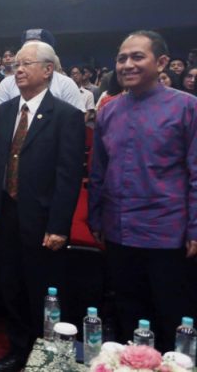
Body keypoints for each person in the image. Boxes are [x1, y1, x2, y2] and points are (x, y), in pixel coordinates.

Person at [88, 30, 197, 352]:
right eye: (121, 58)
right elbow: (98, 171)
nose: (127, 65)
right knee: (129, 316)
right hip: (119, 230)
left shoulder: (187, 107)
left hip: (168, 232)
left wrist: (195, 227)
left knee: (172, 317)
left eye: (137, 57)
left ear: (161, 62)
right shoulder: (109, 111)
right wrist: (96, 218)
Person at [0, 41, 85, 372]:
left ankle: (46, 352)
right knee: (10, 284)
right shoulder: (6, 110)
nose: (19, 70)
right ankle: (18, 347)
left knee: (43, 288)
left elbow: (69, 176)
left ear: (48, 70)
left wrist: (59, 225)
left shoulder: (66, 115)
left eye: (27, 64)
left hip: (42, 218)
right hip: (6, 212)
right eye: (16, 65)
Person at [0, 29, 85, 133]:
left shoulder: (66, 84)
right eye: (26, 47)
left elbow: (75, 122)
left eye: (36, 47)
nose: (29, 50)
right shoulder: (7, 83)